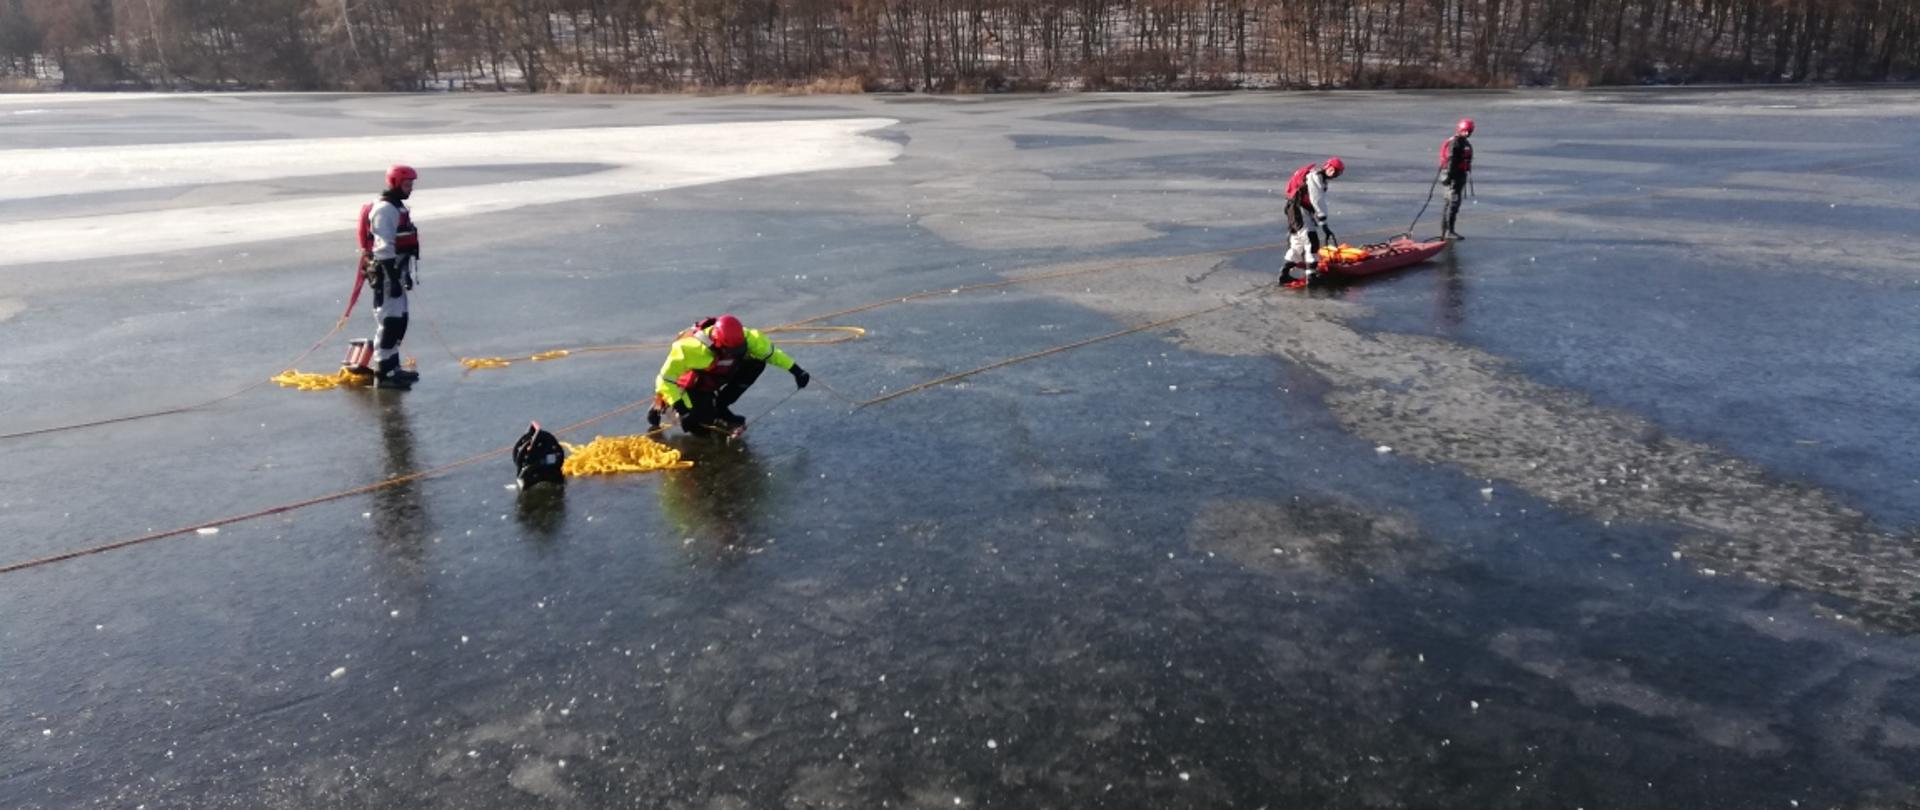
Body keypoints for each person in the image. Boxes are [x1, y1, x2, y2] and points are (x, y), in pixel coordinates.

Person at [647, 314, 809, 435]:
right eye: (731, 350)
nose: (735, 352)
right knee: (699, 425)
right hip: (692, 384)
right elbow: (665, 379)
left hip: (717, 374)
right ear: (718, 343)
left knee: (756, 363)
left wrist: (796, 370)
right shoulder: (688, 349)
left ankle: (720, 406)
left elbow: (770, 353)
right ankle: (664, 406)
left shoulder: (747, 337)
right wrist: (683, 411)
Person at [356, 164, 422, 389]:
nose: (410, 188)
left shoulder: (398, 207)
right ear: (394, 183)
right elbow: (383, 248)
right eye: (406, 184)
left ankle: (393, 367)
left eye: (411, 184)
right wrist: (392, 279)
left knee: (400, 320)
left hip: (397, 271)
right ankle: (383, 372)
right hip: (385, 274)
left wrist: (404, 275)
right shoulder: (385, 210)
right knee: (390, 321)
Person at [1280, 157, 1344, 287]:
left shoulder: (1314, 175)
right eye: (1336, 173)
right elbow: (1317, 200)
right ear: (1330, 169)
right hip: (1299, 210)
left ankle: (1284, 274)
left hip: (1296, 210)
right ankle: (1311, 276)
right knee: (1311, 240)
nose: (1335, 175)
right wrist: (1323, 221)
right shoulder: (1315, 177)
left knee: (1298, 243)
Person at [1439, 118, 1474, 240]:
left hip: (1459, 176)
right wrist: (1449, 176)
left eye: (1469, 131)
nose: (1467, 133)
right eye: (1465, 131)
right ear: (1460, 129)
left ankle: (1447, 230)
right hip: (1453, 177)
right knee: (1452, 203)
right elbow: (1451, 160)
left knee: (1452, 203)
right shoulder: (1456, 143)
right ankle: (1448, 231)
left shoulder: (1462, 142)